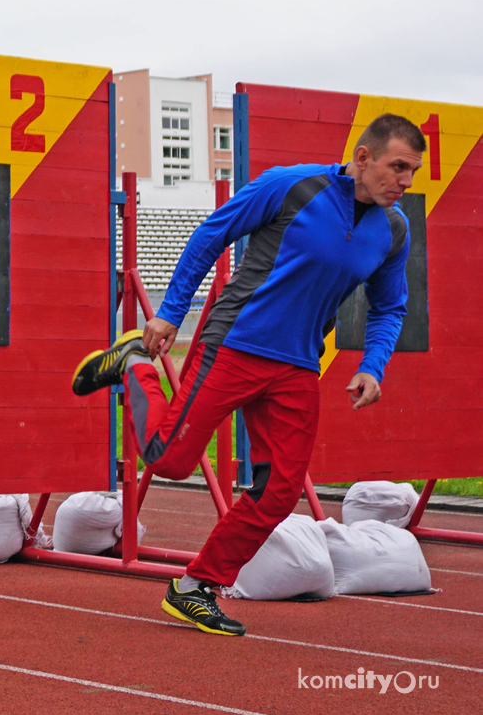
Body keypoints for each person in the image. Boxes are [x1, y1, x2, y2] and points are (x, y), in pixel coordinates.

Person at [71, 113, 423, 637]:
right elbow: (213, 233)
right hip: (235, 343)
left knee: (279, 492)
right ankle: (135, 364)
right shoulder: (292, 186)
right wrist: (170, 311)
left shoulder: (394, 229)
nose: (406, 181)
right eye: (398, 166)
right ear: (364, 157)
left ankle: (195, 587)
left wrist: (373, 365)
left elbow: (389, 306)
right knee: (169, 460)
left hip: (299, 366)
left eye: (413, 171)